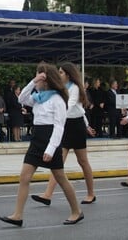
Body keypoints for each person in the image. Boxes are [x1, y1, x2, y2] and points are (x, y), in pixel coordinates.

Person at [0, 63, 83, 227]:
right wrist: (33, 80)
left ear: (48, 80)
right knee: (24, 177)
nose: (37, 81)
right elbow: (21, 98)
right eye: (36, 77)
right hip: (36, 140)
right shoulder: (38, 98)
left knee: (61, 178)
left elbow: (59, 126)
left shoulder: (57, 99)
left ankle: (76, 211)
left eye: (40, 78)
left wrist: (51, 149)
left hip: (50, 141)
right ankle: (18, 215)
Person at [31, 62, 97, 206]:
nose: (59, 74)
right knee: (58, 161)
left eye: (61, 72)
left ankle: (91, 193)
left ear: (68, 74)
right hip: (64, 126)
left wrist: (85, 126)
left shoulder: (74, 88)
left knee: (83, 161)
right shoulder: (59, 89)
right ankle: (47, 194)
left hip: (76, 126)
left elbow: (73, 106)